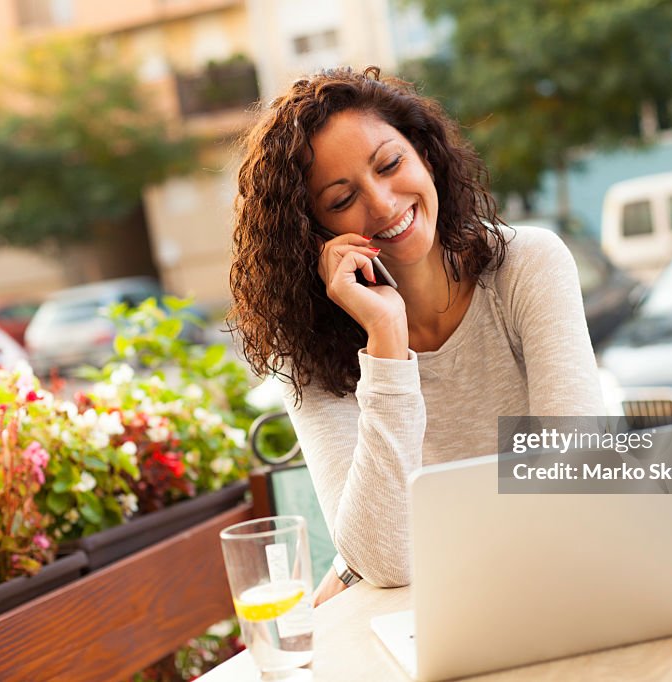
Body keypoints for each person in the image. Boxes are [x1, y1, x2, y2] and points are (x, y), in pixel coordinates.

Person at [228, 67, 603, 605]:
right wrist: (386, 338)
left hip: (547, 575)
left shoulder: (526, 265)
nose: (381, 204)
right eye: (340, 199)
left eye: (390, 164)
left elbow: (575, 473)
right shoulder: (305, 343)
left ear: (425, 154)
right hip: (401, 604)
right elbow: (380, 559)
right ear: (313, 231)